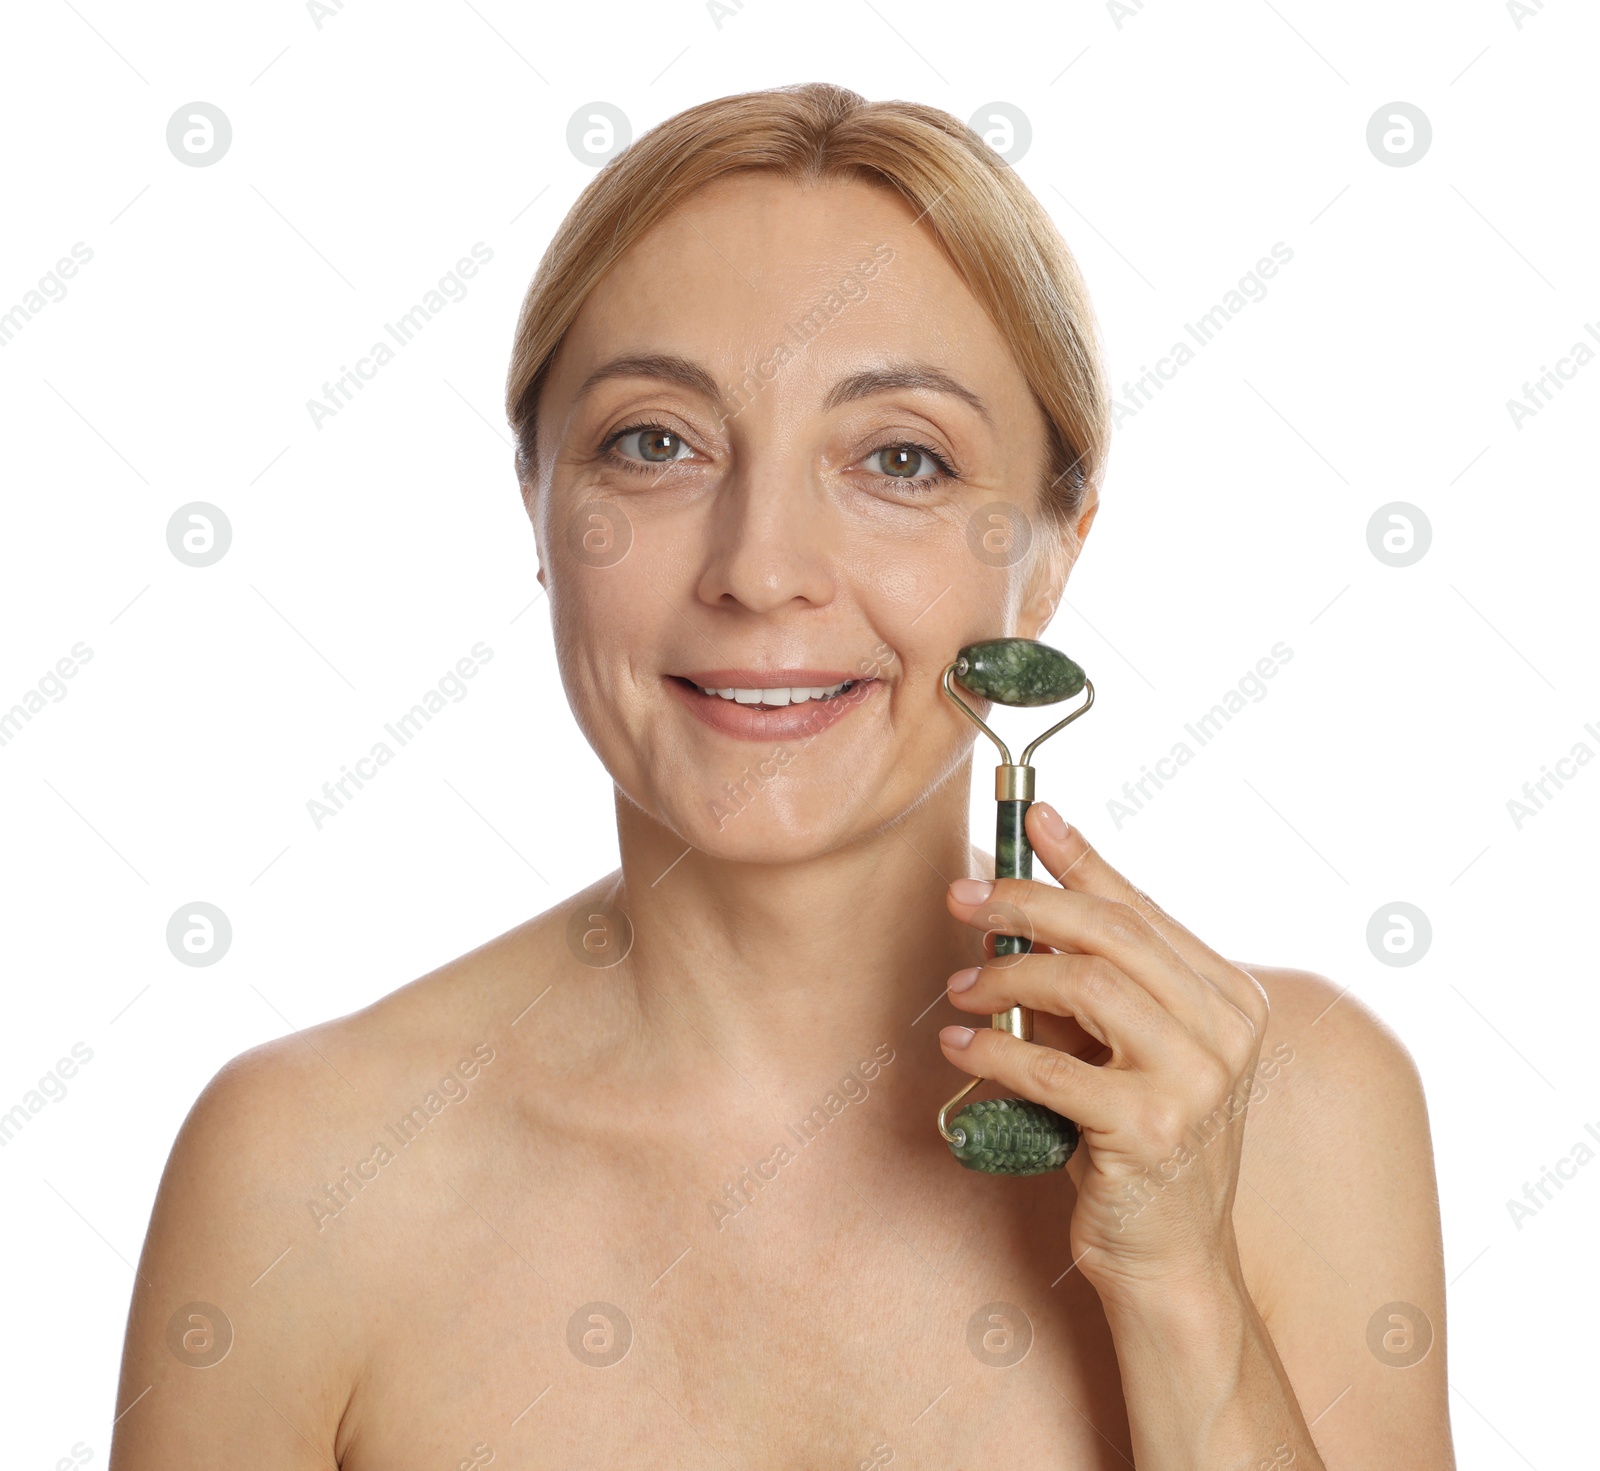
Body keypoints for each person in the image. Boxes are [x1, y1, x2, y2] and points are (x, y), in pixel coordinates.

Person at [109, 82, 1452, 1468]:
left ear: (1053, 554)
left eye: (899, 460)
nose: (758, 569)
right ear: (540, 509)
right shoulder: (300, 1177)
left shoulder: (1294, 1113)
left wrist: (1183, 1294)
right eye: (654, 444)